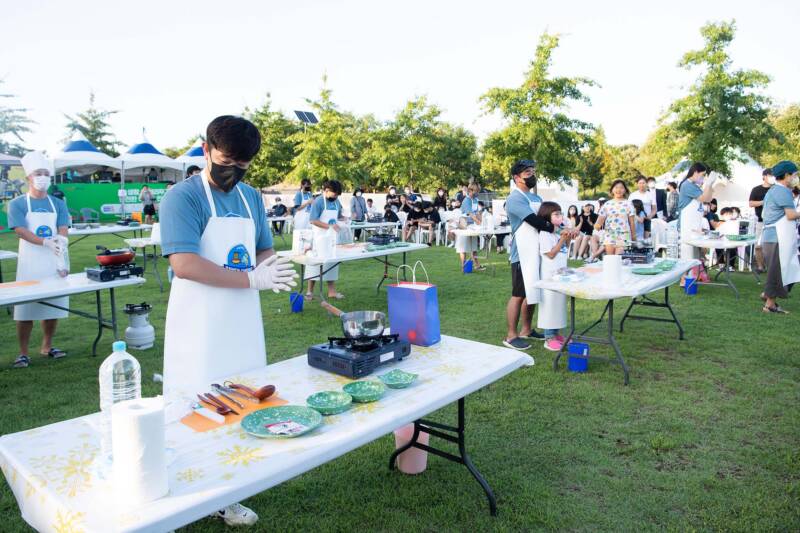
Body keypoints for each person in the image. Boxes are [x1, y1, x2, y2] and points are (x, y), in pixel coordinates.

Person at [160, 117, 297, 527]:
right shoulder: (181, 198)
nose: (233, 171)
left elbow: (262, 251)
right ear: (205, 150)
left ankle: (232, 486)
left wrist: (276, 270)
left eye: (243, 165)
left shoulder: (251, 197)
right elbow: (184, 264)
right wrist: (250, 278)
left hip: (241, 315)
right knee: (196, 402)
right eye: (226, 161)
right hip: (199, 318)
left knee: (243, 394)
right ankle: (189, 483)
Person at [8, 151, 70, 368]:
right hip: (30, 262)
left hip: (53, 261)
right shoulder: (17, 204)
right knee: (25, 309)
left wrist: (60, 242)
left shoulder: (58, 203)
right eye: (38, 173)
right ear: (29, 178)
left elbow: (63, 226)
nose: (42, 177)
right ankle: (23, 352)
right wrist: (44, 242)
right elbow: (20, 231)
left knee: (52, 305)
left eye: (46, 173)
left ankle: (47, 345)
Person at [504, 159, 557, 350]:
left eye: (533, 171)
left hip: (538, 251)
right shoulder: (514, 199)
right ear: (516, 178)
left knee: (534, 291)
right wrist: (552, 226)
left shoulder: (536, 198)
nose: (532, 175)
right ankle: (511, 335)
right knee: (518, 294)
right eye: (527, 172)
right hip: (522, 255)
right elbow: (534, 220)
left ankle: (527, 329)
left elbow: (547, 216)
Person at [760, 161, 800, 313]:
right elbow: (790, 215)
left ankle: (768, 296)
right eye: (794, 175)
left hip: (771, 237)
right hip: (777, 237)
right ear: (786, 175)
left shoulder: (772, 190)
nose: (795, 178)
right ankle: (770, 305)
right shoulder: (783, 191)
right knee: (776, 271)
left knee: (776, 270)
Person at [536, 202, 573, 352]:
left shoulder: (558, 231)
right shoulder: (544, 233)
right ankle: (548, 337)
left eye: (561, 214)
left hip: (560, 271)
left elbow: (565, 247)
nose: (560, 217)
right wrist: (563, 239)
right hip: (550, 273)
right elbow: (550, 254)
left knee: (559, 303)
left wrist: (568, 236)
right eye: (556, 214)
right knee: (550, 304)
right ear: (547, 216)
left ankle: (556, 334)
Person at [306, 179, 346, 300]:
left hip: (332, 238)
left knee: (332, 264)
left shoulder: (337, 202)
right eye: (335, 194)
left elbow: (339, 216)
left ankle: (332, 291)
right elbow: (313, 220)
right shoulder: (318, 201)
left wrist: (347, 219)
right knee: (314, 265)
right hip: (319, 237)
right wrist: (329, 226)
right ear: (327, 190)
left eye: (338, 195)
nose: (336, 197)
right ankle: (309, 292)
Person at [677, 162, 716, 284]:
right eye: (703, 175)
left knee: (694, 255)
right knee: (687, 254)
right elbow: (704, 198)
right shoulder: (687, 185)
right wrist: (708, 185)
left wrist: (709, 185)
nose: (703, 178)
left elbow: (708, 198)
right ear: (695, 172)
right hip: (687, 225)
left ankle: (692, 278)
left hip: (695, 225)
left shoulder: (695, 186)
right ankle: (685, 280)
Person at [595, 180, 635, 256]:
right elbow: (599, 221)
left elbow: (632, 222)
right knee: (610, 259)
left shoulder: (629, 203)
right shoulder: (607, 204)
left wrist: (633, 237)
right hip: (609, 235)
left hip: (624, 235)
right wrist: (596, 229)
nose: (618, 190)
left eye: (621, 188)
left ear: (625, 190)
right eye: (616, 187)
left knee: (619, 259)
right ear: (612, 190)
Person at [749, 168, 774, 272]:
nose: (771, 177)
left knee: (772, 246)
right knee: (758, 245)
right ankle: (760, 266)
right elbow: (751, 203)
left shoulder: (775, 189)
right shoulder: (756, 189)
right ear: (764, 176)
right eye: (769, 175)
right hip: (760, 221)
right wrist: (763, 202)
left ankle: (772, 267)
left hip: (774, 222)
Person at [457, 183, 485, 271]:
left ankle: (477, 265)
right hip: (463, 224)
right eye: (476, 191)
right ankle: (464, 267)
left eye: (478, 191)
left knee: (473, 247)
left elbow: (477, 213)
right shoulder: (466, 200)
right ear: (470, 191)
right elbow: (471, 214)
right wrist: (479, 222)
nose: (477, 193)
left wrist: (482, 221)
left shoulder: (476, 199)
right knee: (463, 247)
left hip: (472, 225)